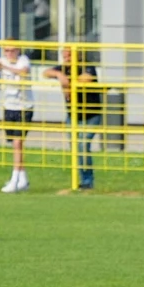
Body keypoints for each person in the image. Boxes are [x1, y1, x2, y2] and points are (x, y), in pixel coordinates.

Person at [0, 44, 34, 192]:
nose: (9, 53)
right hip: (9, 106)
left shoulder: (23, 60)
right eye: (6, 50)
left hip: (24, 107)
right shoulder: (3, 61)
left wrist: (4, 66)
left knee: (17, 143)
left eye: (12, 50)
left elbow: (23, 72)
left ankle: (14, 180)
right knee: (16, 145)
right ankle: (23, 179)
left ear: (18, 50)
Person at [51, 46, 104, 191]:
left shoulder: (87, 66)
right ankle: (81, 180)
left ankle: (87, 181)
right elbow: (46, 72)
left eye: (69, 56)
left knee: (83, 145)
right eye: (65, 56)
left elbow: (86, 78)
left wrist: (68, 82)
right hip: (73, 115)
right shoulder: (63, 68)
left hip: (91, 114)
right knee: (76, 147)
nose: (66, 59)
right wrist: (59, 74)